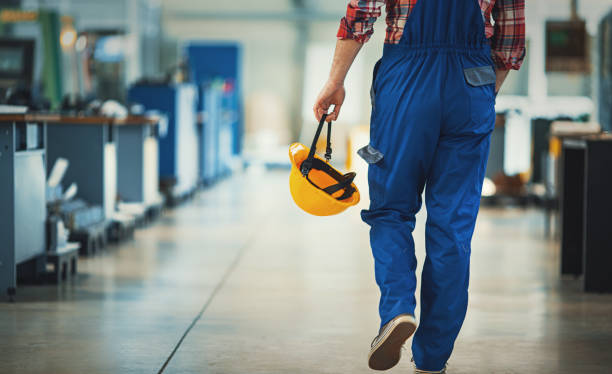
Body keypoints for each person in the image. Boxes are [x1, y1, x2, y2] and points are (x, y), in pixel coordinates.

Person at [313, 0, 526, 372]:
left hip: (407, 81)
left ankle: (397, 308)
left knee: (391, 210)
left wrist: (335, 82)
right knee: (452, 227)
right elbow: (510, 41)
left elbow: (361, 15)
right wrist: (476, 94)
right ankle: (433, 357)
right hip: (472, 82)